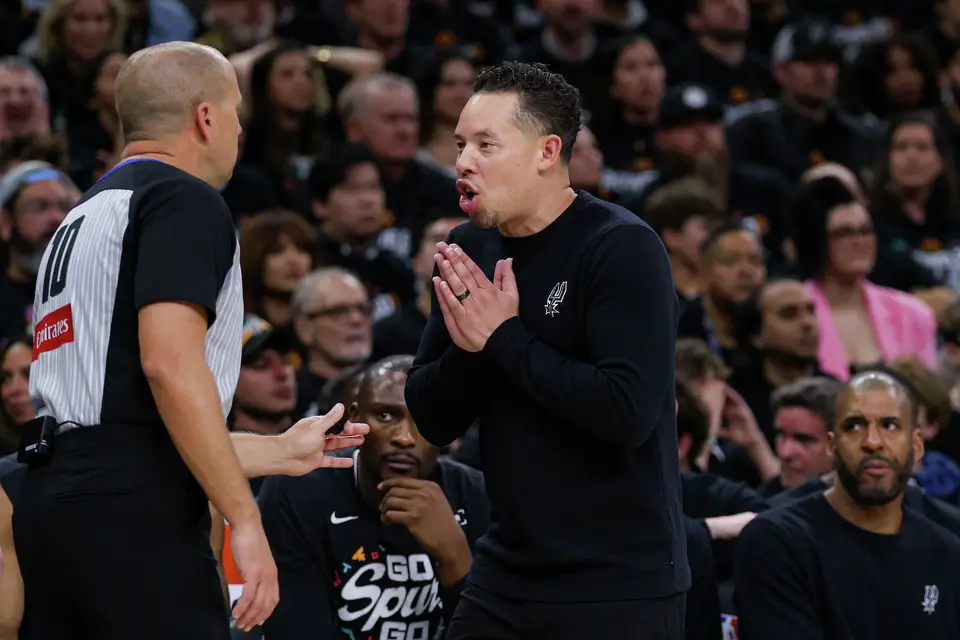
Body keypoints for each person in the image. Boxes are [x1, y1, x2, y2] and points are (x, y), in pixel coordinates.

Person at [12, 41, 367, 640]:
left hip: (55, 500)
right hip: (133, 512)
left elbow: (123, 420)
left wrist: (279, 451)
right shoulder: (182, 198)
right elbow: (168, 366)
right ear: (205, 118)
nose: (238, 129)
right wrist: (244, 518)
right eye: (234, 111)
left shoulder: (82, 214)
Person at [404, 61, 688, 639]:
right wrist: (474, 347)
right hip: (506, 571)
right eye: (460, 145)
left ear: (546, 151)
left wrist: (505, 339)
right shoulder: (467, 247)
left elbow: (626, 411)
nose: (463, 162)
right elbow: (432, 417)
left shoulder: (621, 247)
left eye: (486, 144)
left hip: (616, 583)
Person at [259, 355, 491, 639]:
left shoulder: (476, 494)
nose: (404, 438)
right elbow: (295, 630)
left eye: (424, 419)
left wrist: (455, 560)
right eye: (385, 416)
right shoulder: (298, 491)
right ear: (355, 420)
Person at [734, 371, 960, 638]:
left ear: (917, 445)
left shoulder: (947, 552)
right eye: (854, 426)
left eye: (889, 425)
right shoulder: (777, 541)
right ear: (832, 445)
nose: (873, 442)